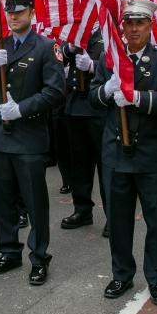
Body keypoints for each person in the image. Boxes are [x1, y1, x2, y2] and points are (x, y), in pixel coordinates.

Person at [90, 0, 157, 305]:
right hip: (116, 154)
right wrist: (106, 91)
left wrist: (139, 98)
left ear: (150, 25)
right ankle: (121, 275)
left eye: (140, 23)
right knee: (118, 221)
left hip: (152, 156)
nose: (133, 29)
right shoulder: (110, 60)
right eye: (128, 23)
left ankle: (156, 278)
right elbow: (92, 97)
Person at [0, 0, 65, 286]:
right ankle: (9, 251)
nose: (14, 17)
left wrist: (21, 110)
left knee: (34, 202)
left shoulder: (46, 47)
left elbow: (55, 92)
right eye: (10, 12)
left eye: (20, 11)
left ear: (32, 13)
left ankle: (39, 257)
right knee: (2, 199)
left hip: (29, 139)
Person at [60, 25, 107, 234]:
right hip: (75, 106)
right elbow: (58, 55)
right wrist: (69, 48)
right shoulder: (76, 32)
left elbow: (119, 65)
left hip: (97, 107)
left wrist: (93, 66)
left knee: (105, 166)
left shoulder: (107, 31)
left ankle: (112, 215)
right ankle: (82, 209)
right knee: (78, 164)